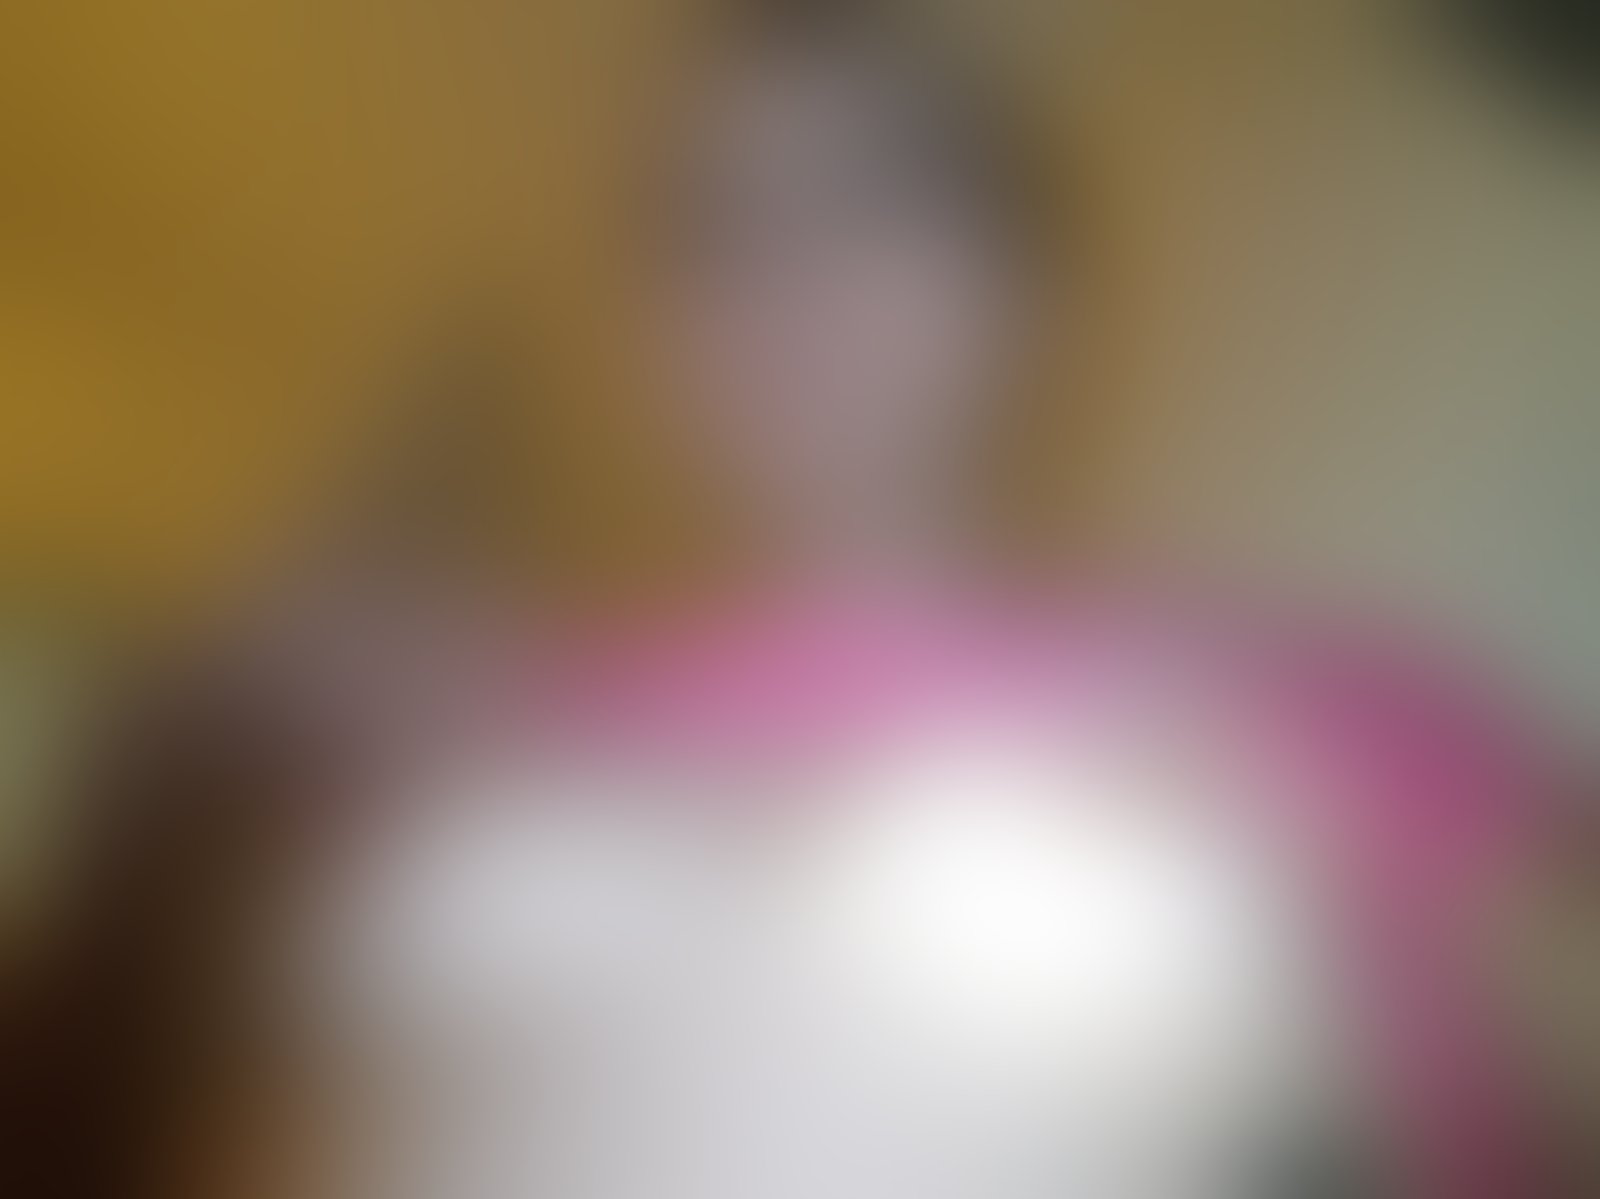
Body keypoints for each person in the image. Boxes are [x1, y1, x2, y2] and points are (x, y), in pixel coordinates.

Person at [274, 5, 1546, 1199]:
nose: (790, 276)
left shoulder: (1329, 707)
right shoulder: (511, 725)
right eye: (716, 225)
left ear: (1027, 282)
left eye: (873, 195)